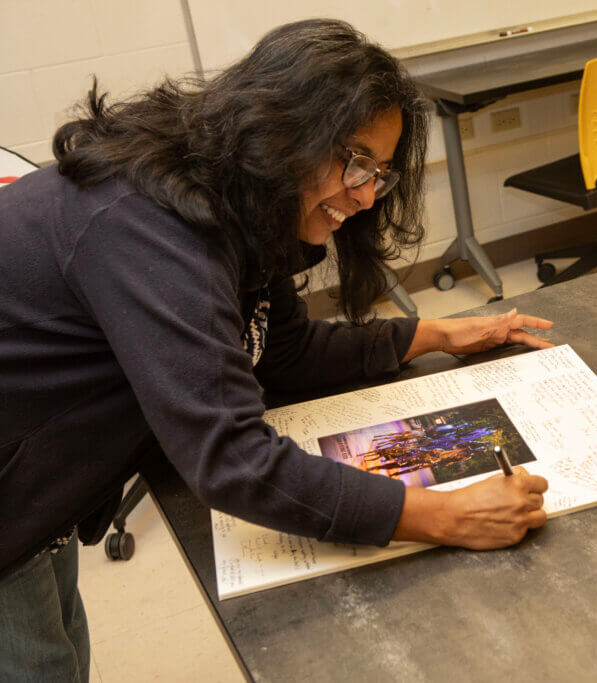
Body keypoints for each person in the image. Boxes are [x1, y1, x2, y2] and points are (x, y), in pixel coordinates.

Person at [0, 19, 551, 681]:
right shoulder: (152, 225)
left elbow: (281, 351)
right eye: (356, 162)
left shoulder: (245, 205)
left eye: (379, 173)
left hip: (40, 469)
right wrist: (442, 514)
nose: (367, 193)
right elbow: (229, 455)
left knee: (61, 645)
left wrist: (433, 333)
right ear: (285, 131)